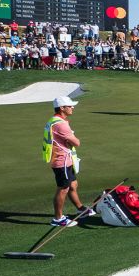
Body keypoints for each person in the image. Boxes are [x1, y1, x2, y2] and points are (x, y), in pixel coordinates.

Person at [43, 96, 94, 227]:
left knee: (73, 185)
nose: (73, 107)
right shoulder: (60, 124)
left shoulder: (55, 121)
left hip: (66, 160)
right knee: (63, 188)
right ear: (62, 108)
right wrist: (72, 136)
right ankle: (58, 219)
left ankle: (80, 208)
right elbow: (77, 142)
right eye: (70, 106)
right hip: (61, 161)